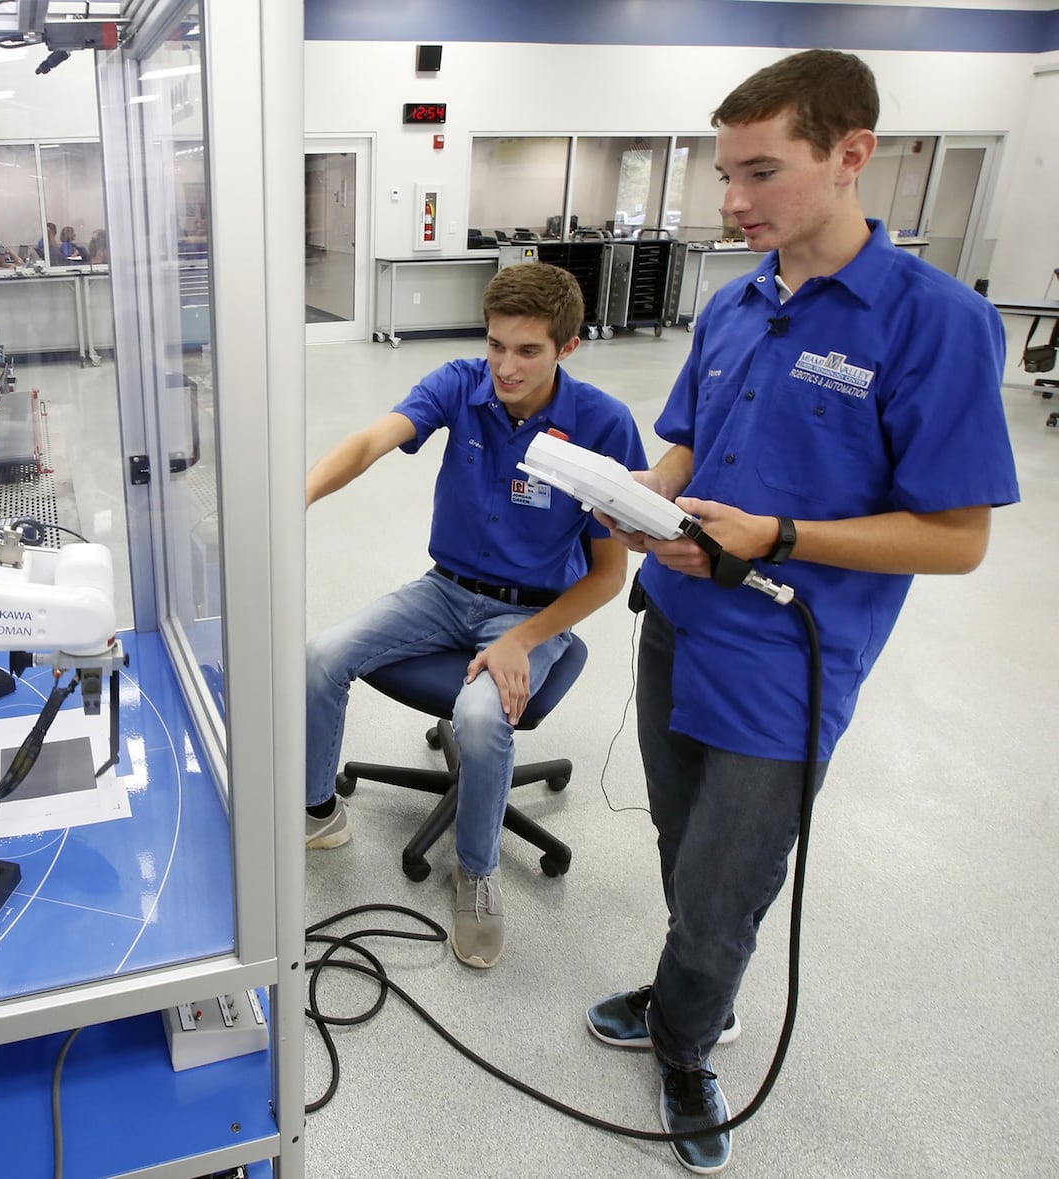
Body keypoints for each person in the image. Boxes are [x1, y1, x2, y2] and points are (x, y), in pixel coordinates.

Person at [582, 50, 1019, 1174]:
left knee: (729, 880)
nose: (732, 202)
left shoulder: (933, 325)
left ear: (850, 156)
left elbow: (958, 539)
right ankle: (694, 987)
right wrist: (647, 503)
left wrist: (781, 536)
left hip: (788, 659)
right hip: (677, 619)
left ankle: (686, 1042)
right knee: (686, 850)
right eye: (724, 174)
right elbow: (682, 441)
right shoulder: (734, 305)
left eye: (760, 173)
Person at [305, 263, 646, 969]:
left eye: (528, 351)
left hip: (534, 611)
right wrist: (297, 494)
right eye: (496, 344)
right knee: (319, 657)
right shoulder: (462, 383)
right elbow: (373, 440)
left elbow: (610, 576)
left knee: (484, 718)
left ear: (568, 348)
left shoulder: (601, 426)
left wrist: (524, 637)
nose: (505, 366)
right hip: (444, 589)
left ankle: (477, 871)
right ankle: (318, 813)